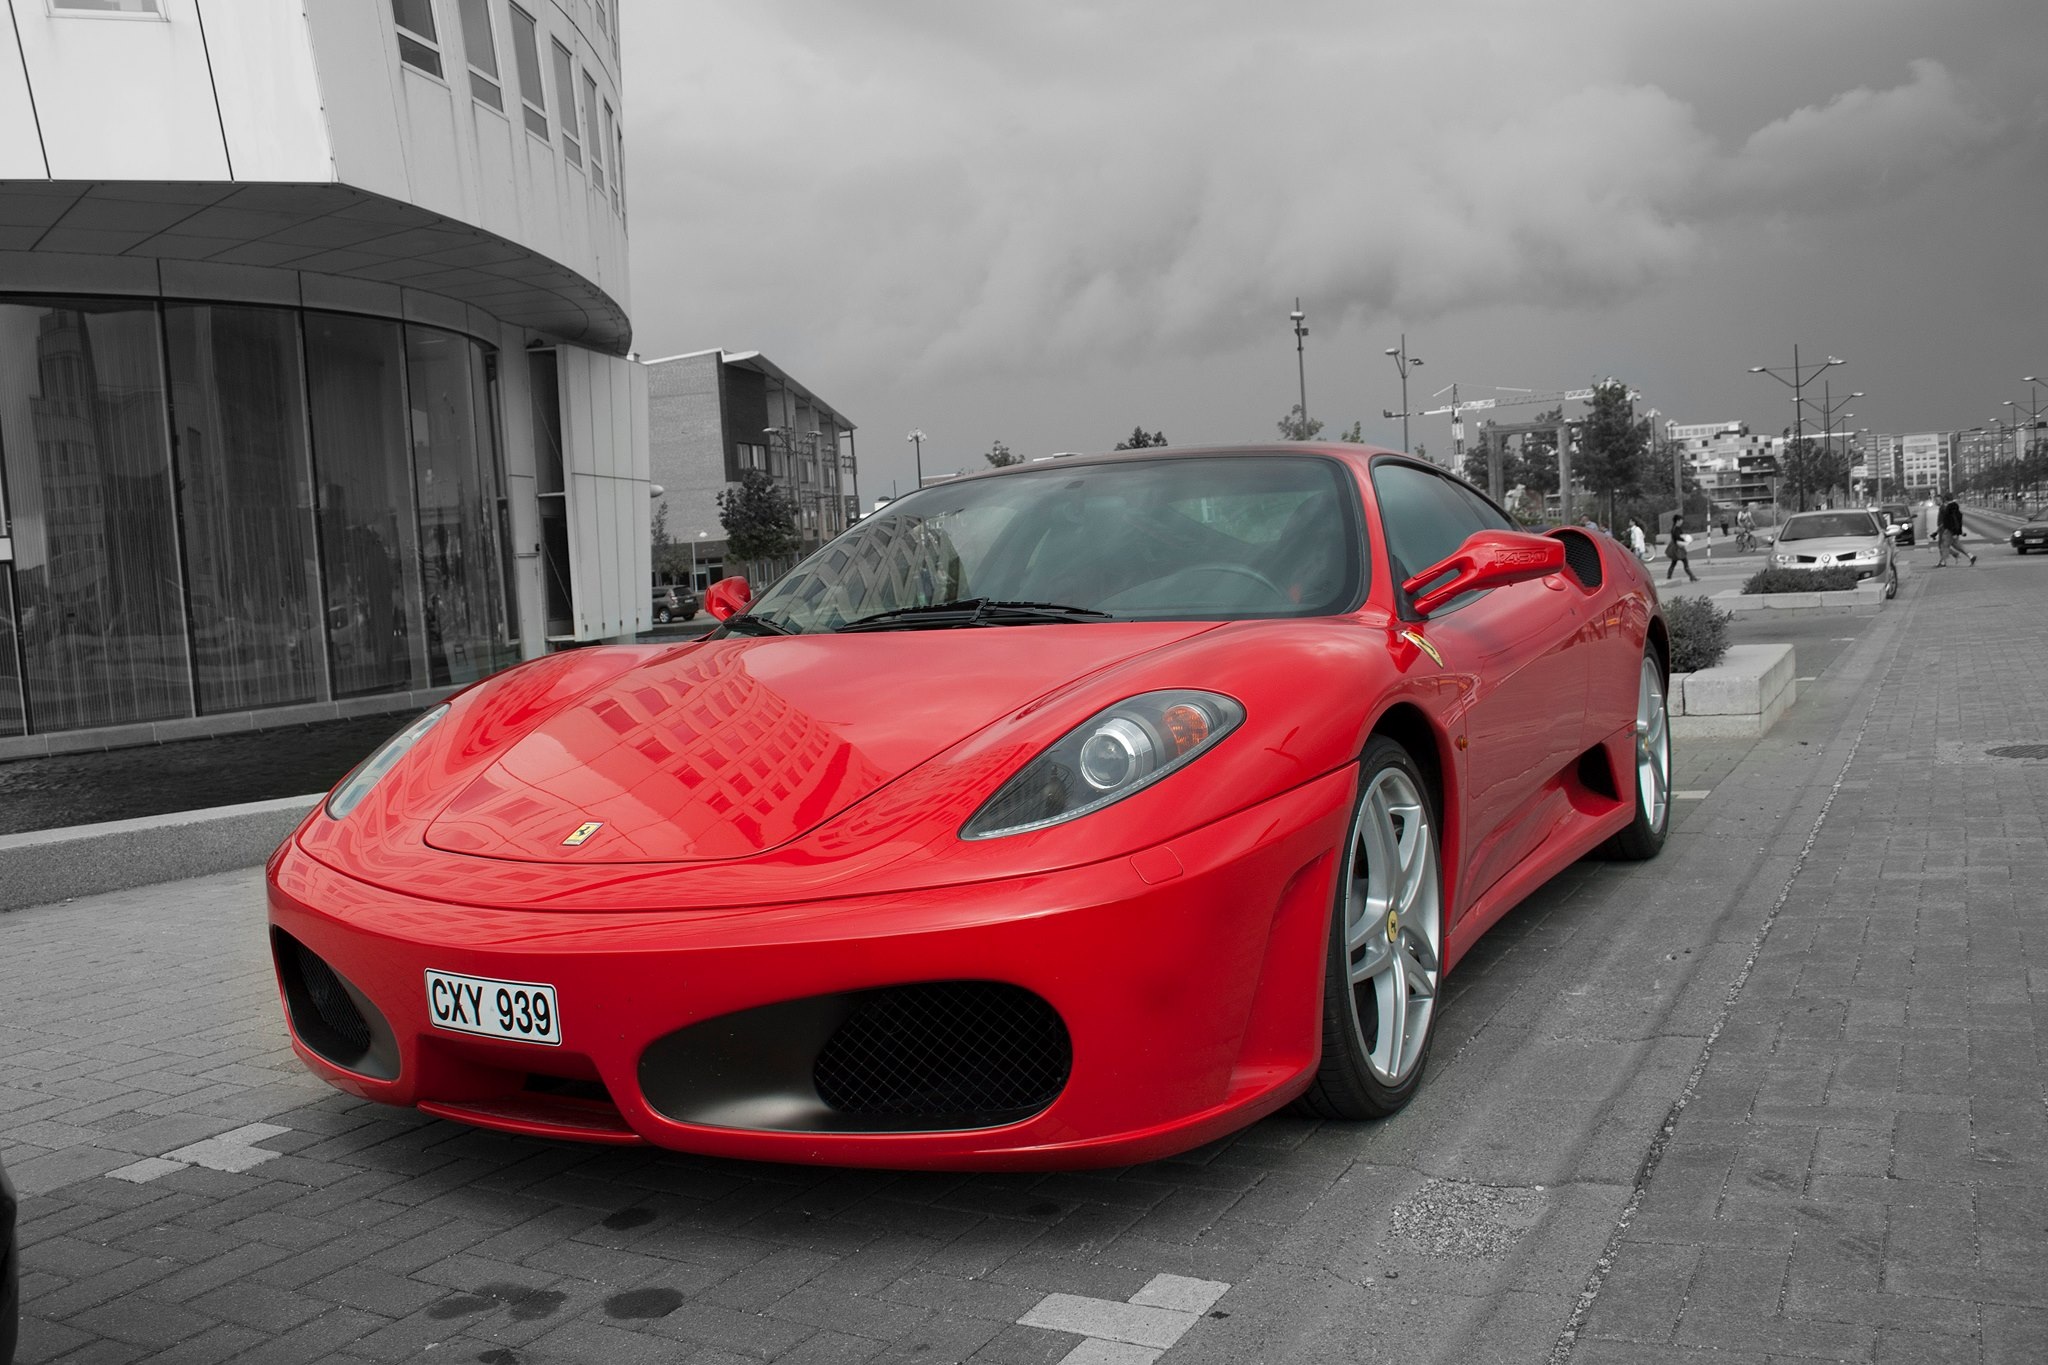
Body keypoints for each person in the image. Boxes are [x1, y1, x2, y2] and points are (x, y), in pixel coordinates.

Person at [1935, 492, 1975, 567]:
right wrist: (1959, 531)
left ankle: (1943, 562)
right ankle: (1971, 556)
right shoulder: (1953, 507)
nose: (1936, 502)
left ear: (1944, 499)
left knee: (1944, 545)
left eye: (1937, 500)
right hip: (1952, 530)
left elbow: (1952, 521)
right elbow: (1958, 519)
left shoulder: (1949, 508)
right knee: (1957, 545)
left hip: (1949, 530)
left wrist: (1955, 533)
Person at [1665, 514, 1699, 582]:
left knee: (1674, 563)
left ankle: (1669, 576)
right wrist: (1685, 540)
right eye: (1681, 520)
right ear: (1678, 521)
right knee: (1683, 561)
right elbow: (1677, 537)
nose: (1682, 522)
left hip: (1678, 547)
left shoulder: (1676, 528)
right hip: (1677, 548)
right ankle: (1692, 577)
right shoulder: (1675, 529)